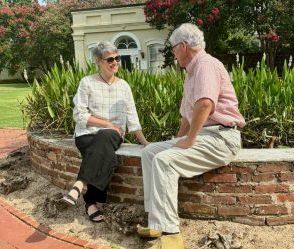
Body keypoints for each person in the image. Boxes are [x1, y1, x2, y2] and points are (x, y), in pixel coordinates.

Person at [137, 23, 246, 248]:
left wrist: (190, 140)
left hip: (221, 138)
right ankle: (156, 222)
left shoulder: (206, 65)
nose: (174, 54)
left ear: (184, 46)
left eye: (174, 49)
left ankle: (171, 234)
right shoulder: (191, 72)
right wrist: (178, 140)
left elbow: (205, 104)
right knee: (150, 152)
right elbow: (188, 117)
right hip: (205, 135)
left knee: (165, 161)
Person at [61, 41, 149, 222]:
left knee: (105, 136)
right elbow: (79, 115)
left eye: (117, 58)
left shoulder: (124, 86)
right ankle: (90, 201)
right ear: (98, 61)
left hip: (112, 135)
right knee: (107, 156)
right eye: (110, 59)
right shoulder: (87, 82)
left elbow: (132, 117)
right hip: (86, 135)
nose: (115, 62)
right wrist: (107, 123)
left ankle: (79, 185)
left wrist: (145, 143)